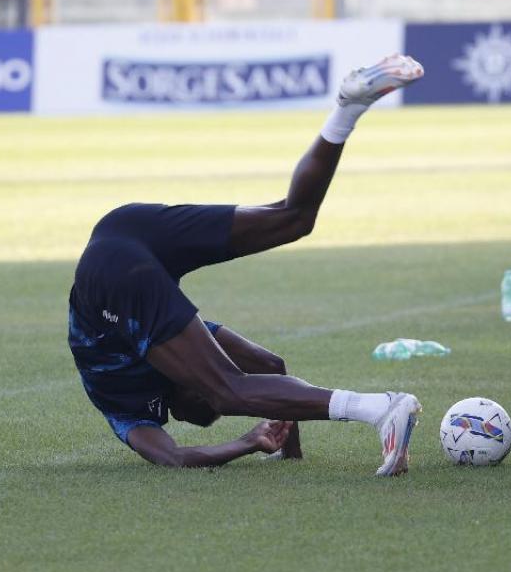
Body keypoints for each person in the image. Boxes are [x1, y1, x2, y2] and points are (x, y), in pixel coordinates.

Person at [69, 54, 425, 475]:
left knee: (229, 389)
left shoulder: (128, 403)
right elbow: (270, 367)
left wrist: (245, 437)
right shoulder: (166, 357)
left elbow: (184, 446)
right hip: (123, 225)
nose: (209, 391)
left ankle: (381, 408)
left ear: (183, 396)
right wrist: (286, 452)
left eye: (200, 398)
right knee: (292, 218)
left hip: (109, 277)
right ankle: (347, 106)